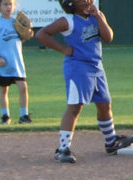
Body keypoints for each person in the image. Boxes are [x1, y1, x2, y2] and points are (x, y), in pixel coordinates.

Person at [35, 0, 130, 163]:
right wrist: (63, 49)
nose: (88, 1)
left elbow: (108, 37)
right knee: (75, 107)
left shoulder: (95, 16)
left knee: (104, 104)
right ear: (70, 4)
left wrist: (99, 17)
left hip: (96, 67)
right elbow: (41, 34)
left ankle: (111, 141)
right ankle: (63, 149)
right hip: (78, 69)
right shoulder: (67, 21)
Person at [0, 0, 32, 125]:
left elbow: (17, 41)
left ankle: (24, 115)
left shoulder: (16, 23)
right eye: (5, 4)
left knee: (23, 87)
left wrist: (27, 35)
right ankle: (5, 116)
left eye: (10, 4)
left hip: (17, 62)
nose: (8, 7)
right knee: (3, 89)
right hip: (4, 63)